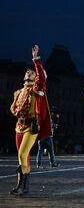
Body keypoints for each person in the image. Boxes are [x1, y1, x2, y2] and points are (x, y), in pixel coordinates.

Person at [9, 45, 53, 196]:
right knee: (23, 156)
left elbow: (41, 79)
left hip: (32, 126)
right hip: (19, 126)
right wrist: (17, 112)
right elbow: (13, 108)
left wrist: (36, 60)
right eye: (28, 71)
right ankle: (22, 186)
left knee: (22, 154)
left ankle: (23, 185)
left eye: (32, 72)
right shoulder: (18, 92)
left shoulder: (36, 90)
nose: (29, 72)